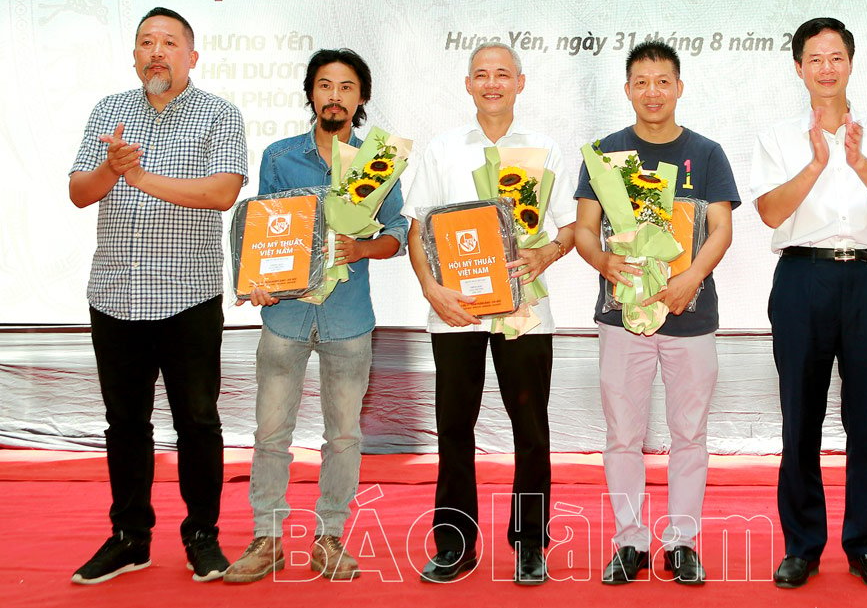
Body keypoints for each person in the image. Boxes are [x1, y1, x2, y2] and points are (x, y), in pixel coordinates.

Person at [68, 7, 247, 584]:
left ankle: (202, 535)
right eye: (146, 42)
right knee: (124, 423)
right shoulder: (109, 111)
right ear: (135, 55)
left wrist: (142, 178)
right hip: (115, 293)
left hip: (187, 297)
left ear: (192, 57)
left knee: (198, 421)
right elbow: (78, 191)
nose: (156, 52)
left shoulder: (219, 115)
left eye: (170, 42)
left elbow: (223, 193)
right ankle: (129, 537)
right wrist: (113, 170)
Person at [223, 49, 406, 584]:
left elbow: (397, 233)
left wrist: (361, 248)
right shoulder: (280, 157)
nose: (334, 95)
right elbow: (265, 229)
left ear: (361, 98)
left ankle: (329, 538)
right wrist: (258, 280)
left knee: (344, 435)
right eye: (324, 85)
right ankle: (268, 538)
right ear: (310, 94)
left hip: (349, 319)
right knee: (270, 432)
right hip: (285, 316)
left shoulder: (379, 162)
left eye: (346, 87)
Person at [403, 42, 576, 586]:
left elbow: (572, 226)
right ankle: (454, 544)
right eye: (482, 74)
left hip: (524, 309)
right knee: (454, 427)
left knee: (531, 427)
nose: (493, 83)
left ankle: (530, 544)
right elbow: (417, 229)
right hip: (454, 311)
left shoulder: (546, 148)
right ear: (468, 84)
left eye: (503, 74)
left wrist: (546, 252)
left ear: (520, 83)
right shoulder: (443, 149)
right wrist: (432, 290)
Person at [748, 17, 867, 591]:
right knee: (801, 418)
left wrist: (858, 160)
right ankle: (802, 546)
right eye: (814, 59)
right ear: (798, 68)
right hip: (802, 278)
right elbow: (769, 212)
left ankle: (866, 545)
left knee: (866, 419)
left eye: (835, 57)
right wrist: (817, 163)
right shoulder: (776, 137)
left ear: (851, 62)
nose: (826, 68)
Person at [574, 40, 738, 586]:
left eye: (662, 81)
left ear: (678, 88)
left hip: (691, 317)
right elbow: (584, 230)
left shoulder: (707, 153)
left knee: (688, 433)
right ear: (627, 90)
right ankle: (629, 542)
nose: (652, 92)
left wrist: (690, 278)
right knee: (623, 433)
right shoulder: (604, 153)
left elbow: (721, 230)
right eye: (641, 82)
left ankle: (684, 542)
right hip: (622, 317)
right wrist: (603, 261)